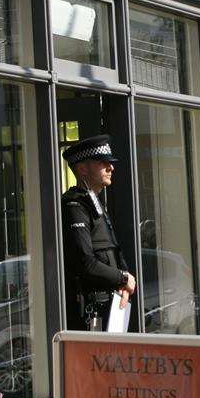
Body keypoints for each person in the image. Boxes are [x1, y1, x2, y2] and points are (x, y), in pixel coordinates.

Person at [61, 134, 136, 331]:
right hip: (91, 311)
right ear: (83, 168)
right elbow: (84, 261)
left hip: (110, 305)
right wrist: (123, 278)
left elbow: (112, 250)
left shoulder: (95, 203)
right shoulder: (74, 206)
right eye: (103, 163)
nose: (111, 168)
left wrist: (124, 282)